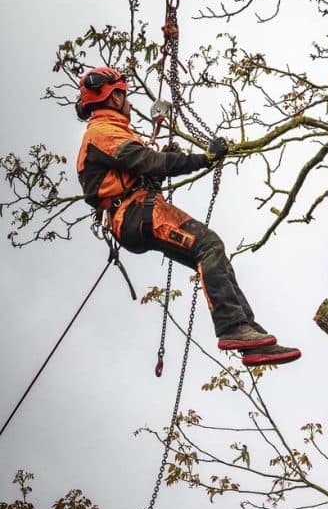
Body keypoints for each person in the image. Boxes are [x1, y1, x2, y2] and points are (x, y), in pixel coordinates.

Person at [76, 66, 300, 368]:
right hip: (133, 212)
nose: (129, 101)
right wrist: (202, 159)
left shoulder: (111, 131)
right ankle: (233, 328)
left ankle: (249, 333)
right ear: (113, 97)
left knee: (210, 251)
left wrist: (163, 162)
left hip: (136, 210)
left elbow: (138, 167)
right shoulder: (102, 132)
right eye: (124, 95)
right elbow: (147, 161)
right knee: (208, 246)